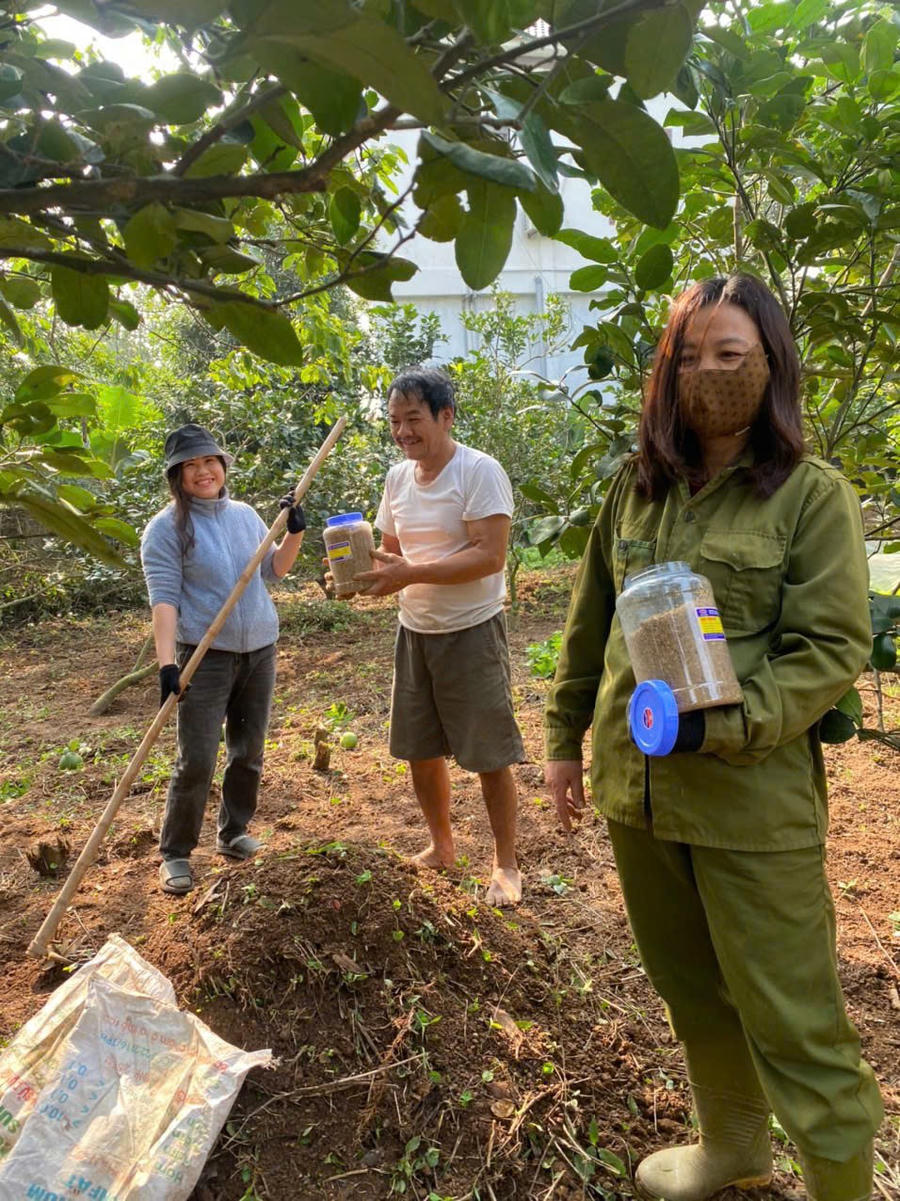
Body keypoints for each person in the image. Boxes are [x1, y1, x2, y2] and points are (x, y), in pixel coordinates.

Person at [544, 275, 882, 1201]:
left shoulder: (809, 497)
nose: (706, 375)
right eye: (688, 357)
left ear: (770, 365)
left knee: (795, 1019)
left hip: (749, 801)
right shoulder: (635, 488)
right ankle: (732, 1144)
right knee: (691, 989)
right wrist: (565, 737)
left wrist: (727, 724)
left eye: (729, 355)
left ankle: (842, 1186)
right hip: (638, 794)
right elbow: (591, 626)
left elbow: (829, 649)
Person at [353, 367, 525, 907]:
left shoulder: (479, 471)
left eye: (414, 419)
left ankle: (506, 865)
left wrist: (409, 573)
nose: (403, 432)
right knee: (420, 751)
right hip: (416, 631)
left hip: (471, 630)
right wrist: (363, 578)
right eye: (394, 421)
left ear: (445, 416)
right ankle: (442, 846)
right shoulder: (397, 478)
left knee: (489, 754)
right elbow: (392, 554)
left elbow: (488, 555)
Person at [140, 423, 306, 895]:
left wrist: (293, 532)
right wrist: (167, 663)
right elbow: (165, 598)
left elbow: (275, 569)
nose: (203, 471)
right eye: (190, 466)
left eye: (209, 461)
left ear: (222, 465)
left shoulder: (247, 515)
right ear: (177, 476)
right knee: (195, 759)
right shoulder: (166, 529)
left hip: (259, 649)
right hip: (204, 657)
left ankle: (233, 833)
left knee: (248, 752)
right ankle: (175, 852)